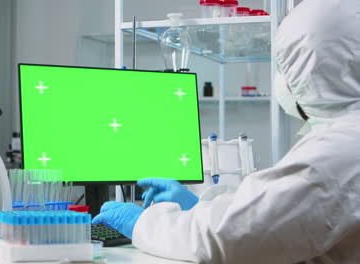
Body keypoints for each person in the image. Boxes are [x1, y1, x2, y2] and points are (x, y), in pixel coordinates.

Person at [92, 0, 360, 263]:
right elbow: (271, 214)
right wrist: (200, 205)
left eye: (286, 67)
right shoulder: (345, 137)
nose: (283, 80)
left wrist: (143, 223)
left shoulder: (341, 149)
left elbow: (234, 237)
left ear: (312, 67)